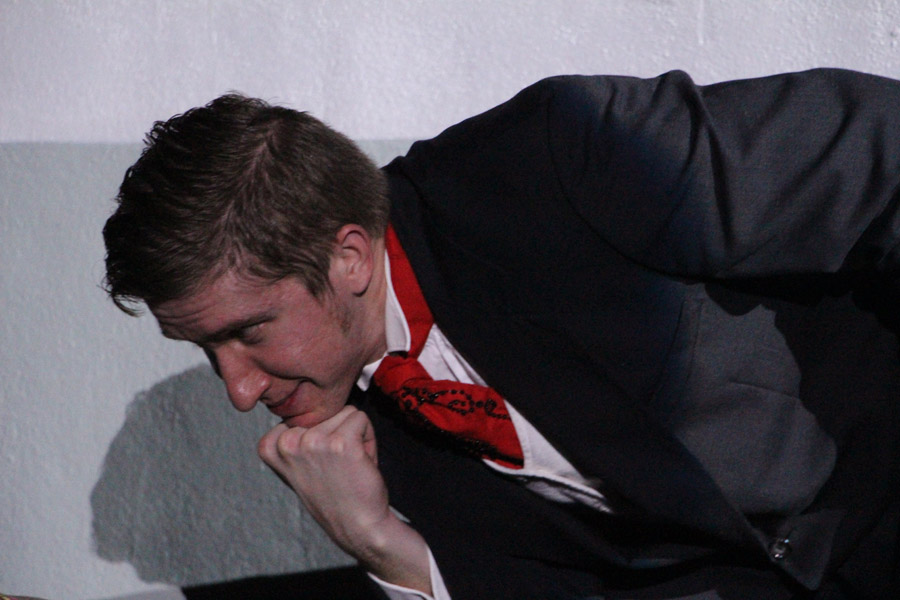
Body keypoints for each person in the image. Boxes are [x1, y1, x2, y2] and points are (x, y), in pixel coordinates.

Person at [103, 69, 900, 599]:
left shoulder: (548, 164)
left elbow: (872, 151)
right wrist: (384, 548)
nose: (239, 391)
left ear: (348, 258)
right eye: (206, 351)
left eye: (249, 332)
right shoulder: (340, 450)